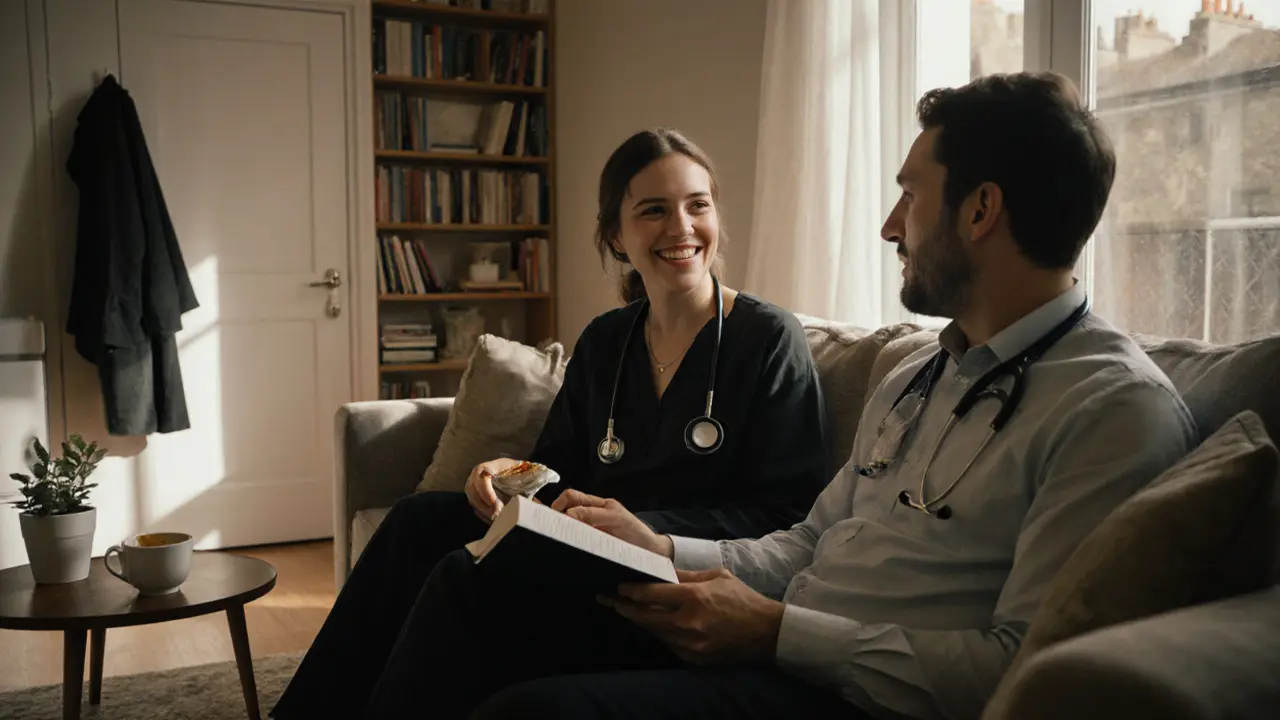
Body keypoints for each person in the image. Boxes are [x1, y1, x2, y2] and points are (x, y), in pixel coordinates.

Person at [324, 71, 1202, 720]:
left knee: (526, 705)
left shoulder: (1110, 411)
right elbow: (810, 540)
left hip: (839, 682)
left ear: (980, 212)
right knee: (464, 580)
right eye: (650, 212)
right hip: (766, 628)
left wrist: (777, 632)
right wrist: (661, 546)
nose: (889, 225)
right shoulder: (920, 376)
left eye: (910, 195)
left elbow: (1027, 675)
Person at [270, 128, 831, 718]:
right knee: (415, 523)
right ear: (616, 236)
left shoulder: (766, 338)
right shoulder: (607, 340)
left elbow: (788, 512)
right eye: (654, 211)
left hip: (672, 574)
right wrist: (507, 473)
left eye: (698, 205)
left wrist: (644, 529)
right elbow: (557, 468)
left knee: (467, 576)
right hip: (585, 551)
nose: (681, 228)